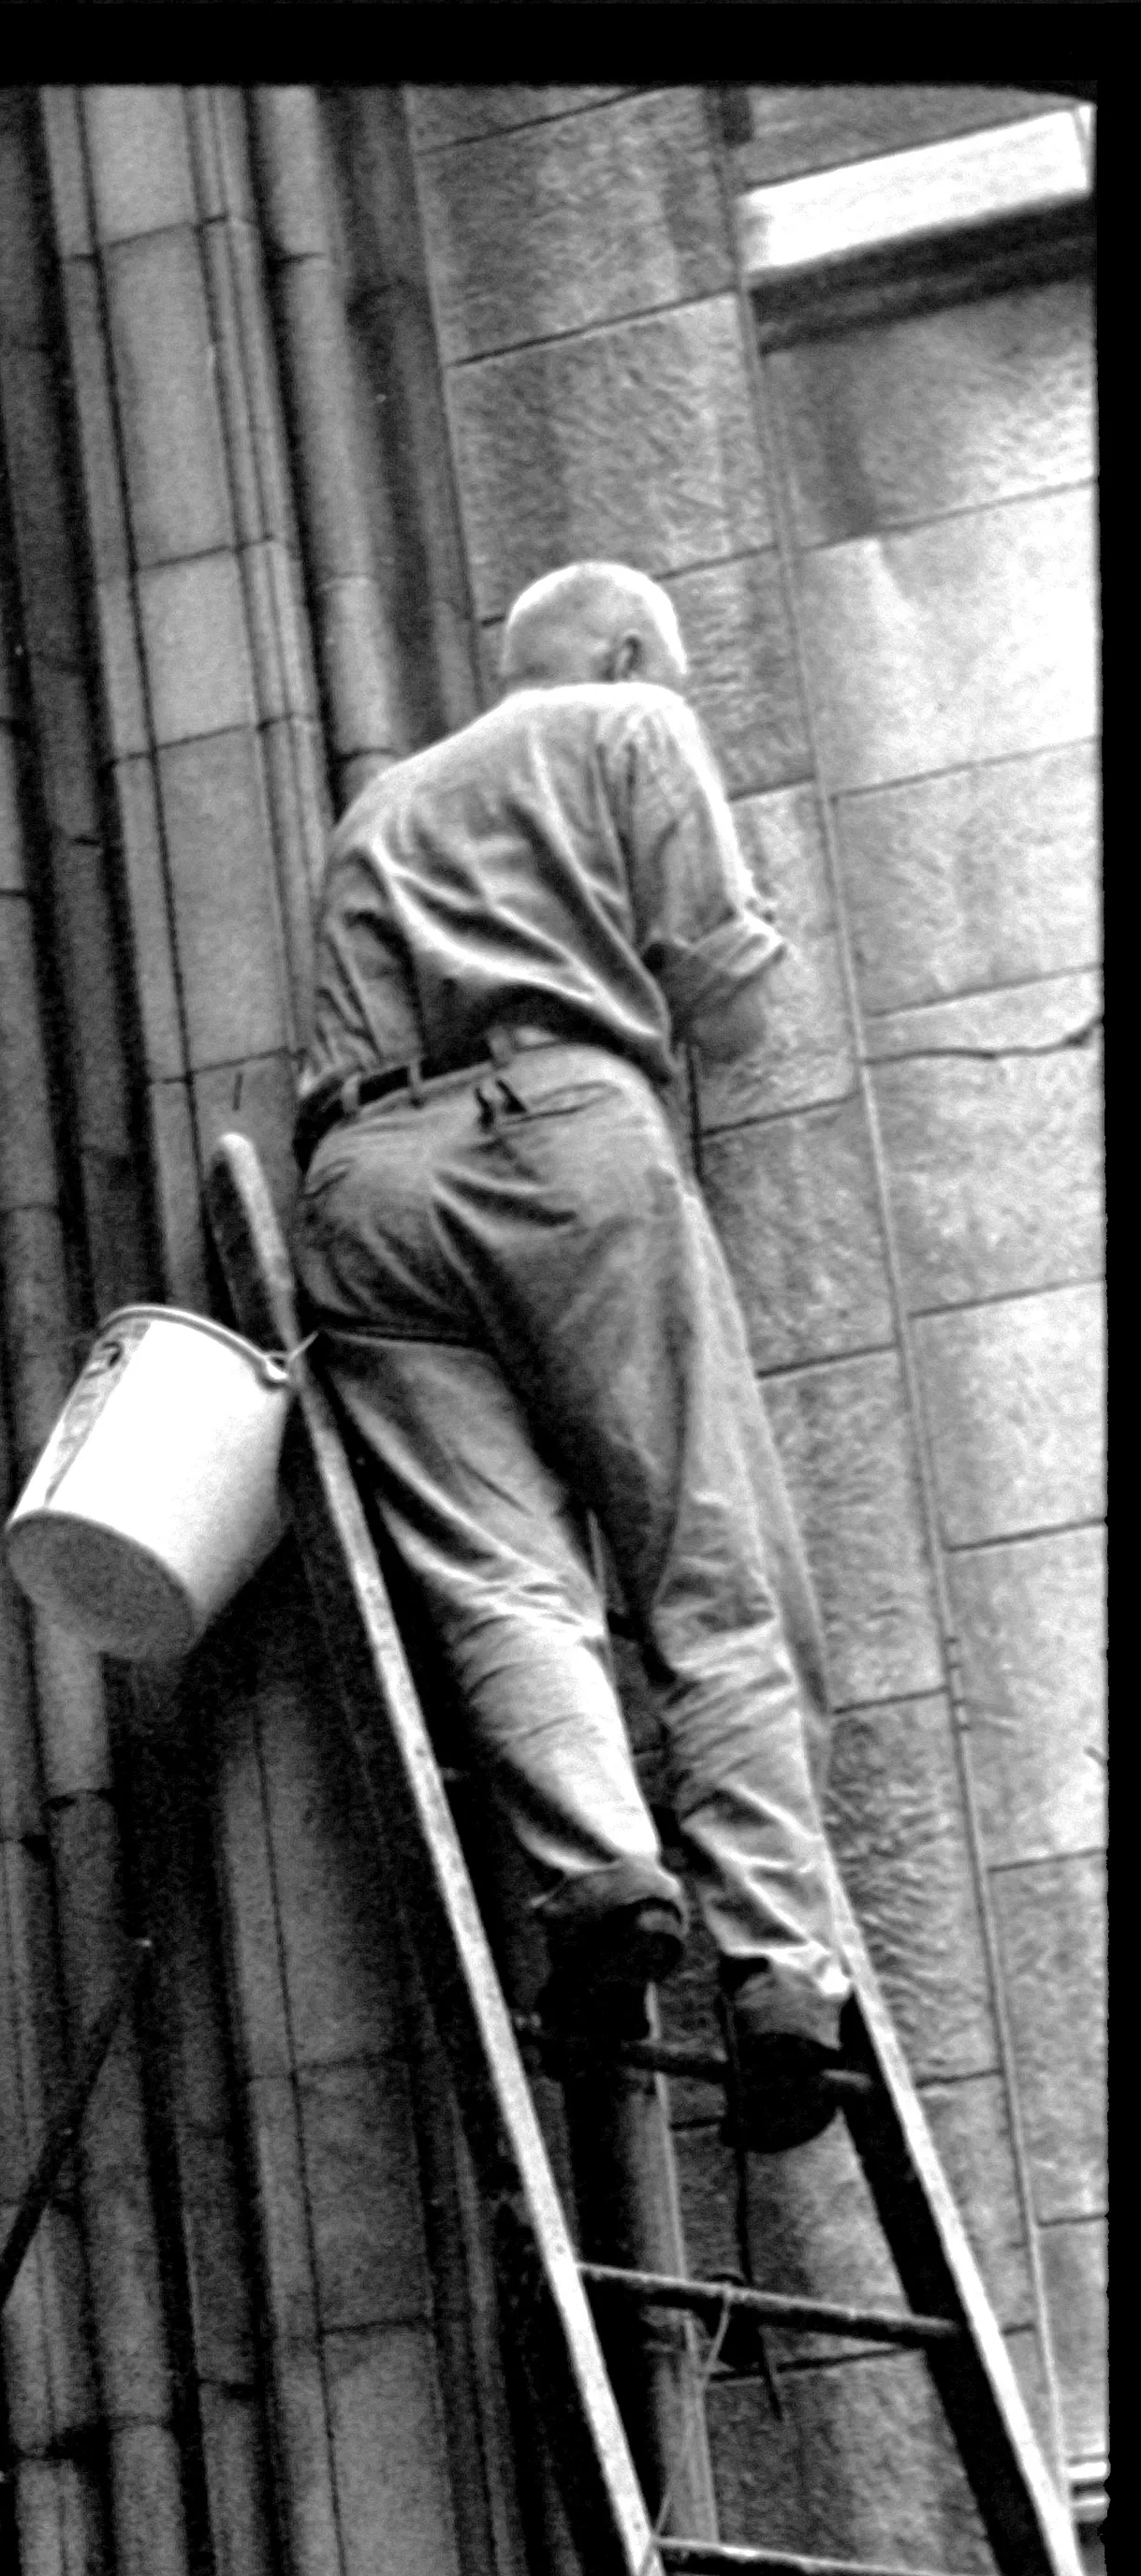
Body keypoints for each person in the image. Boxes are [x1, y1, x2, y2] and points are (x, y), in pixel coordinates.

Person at [292, 559, 855, 2149]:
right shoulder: (629, 721)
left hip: (364, 1187)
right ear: (620, 652)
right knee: (707, 1559)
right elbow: (724, 992)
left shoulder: (381, 807)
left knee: (497, 1572)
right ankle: (777, 1980)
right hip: (561, 1136)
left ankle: (598, 1874)